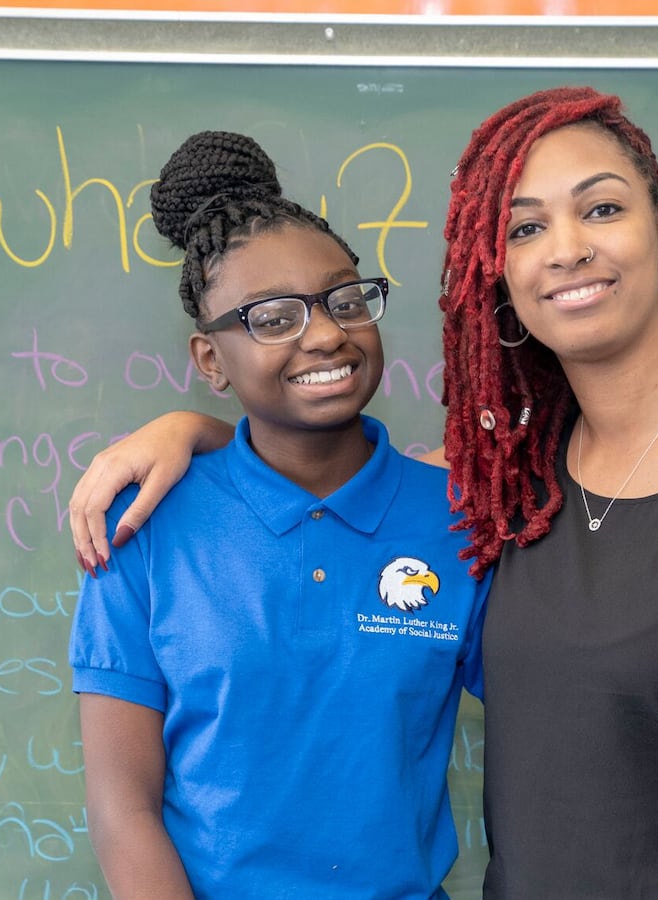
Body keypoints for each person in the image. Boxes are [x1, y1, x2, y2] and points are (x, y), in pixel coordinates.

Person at [70, 88, 658, 900]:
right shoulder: (505, 483)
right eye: (526, 228)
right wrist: (193, 431)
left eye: (601, 209)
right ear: (500, 272)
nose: (567, 250)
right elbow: (302, 473)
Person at [67, 130, 490, 900]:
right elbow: (122, 805)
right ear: (210, 361)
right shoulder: (144, 527)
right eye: (272, 318)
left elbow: (563, 730)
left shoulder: (457, 520)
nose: (326, 333)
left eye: (345, 300)